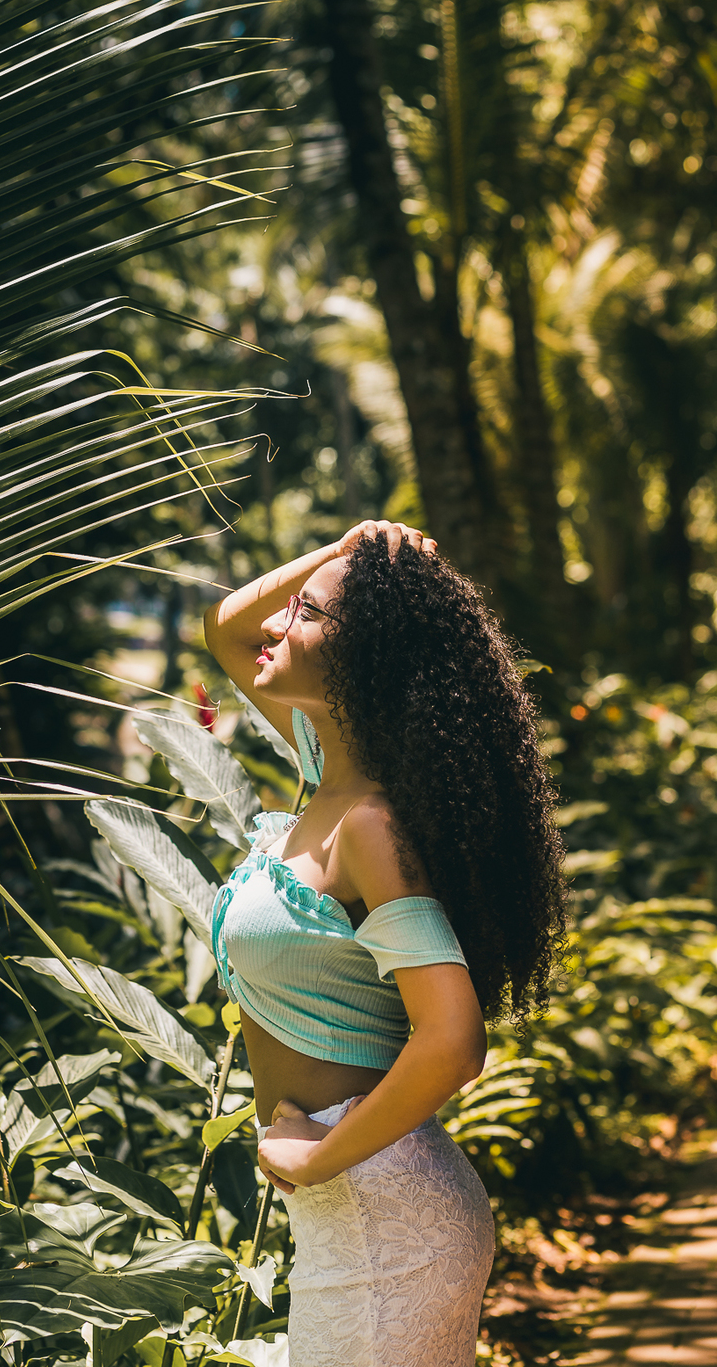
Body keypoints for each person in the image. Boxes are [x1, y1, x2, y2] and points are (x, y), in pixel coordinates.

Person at [203, 520, 566, 1367]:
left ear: (367, 658)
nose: (278, 623)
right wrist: (344, 550)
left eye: (306, 614)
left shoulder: (368, 824)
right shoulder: (326, 771)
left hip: (385, 1221)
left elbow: (453, 1040)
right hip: (353, 1216)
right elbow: (226, 627)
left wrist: (321, 1159)